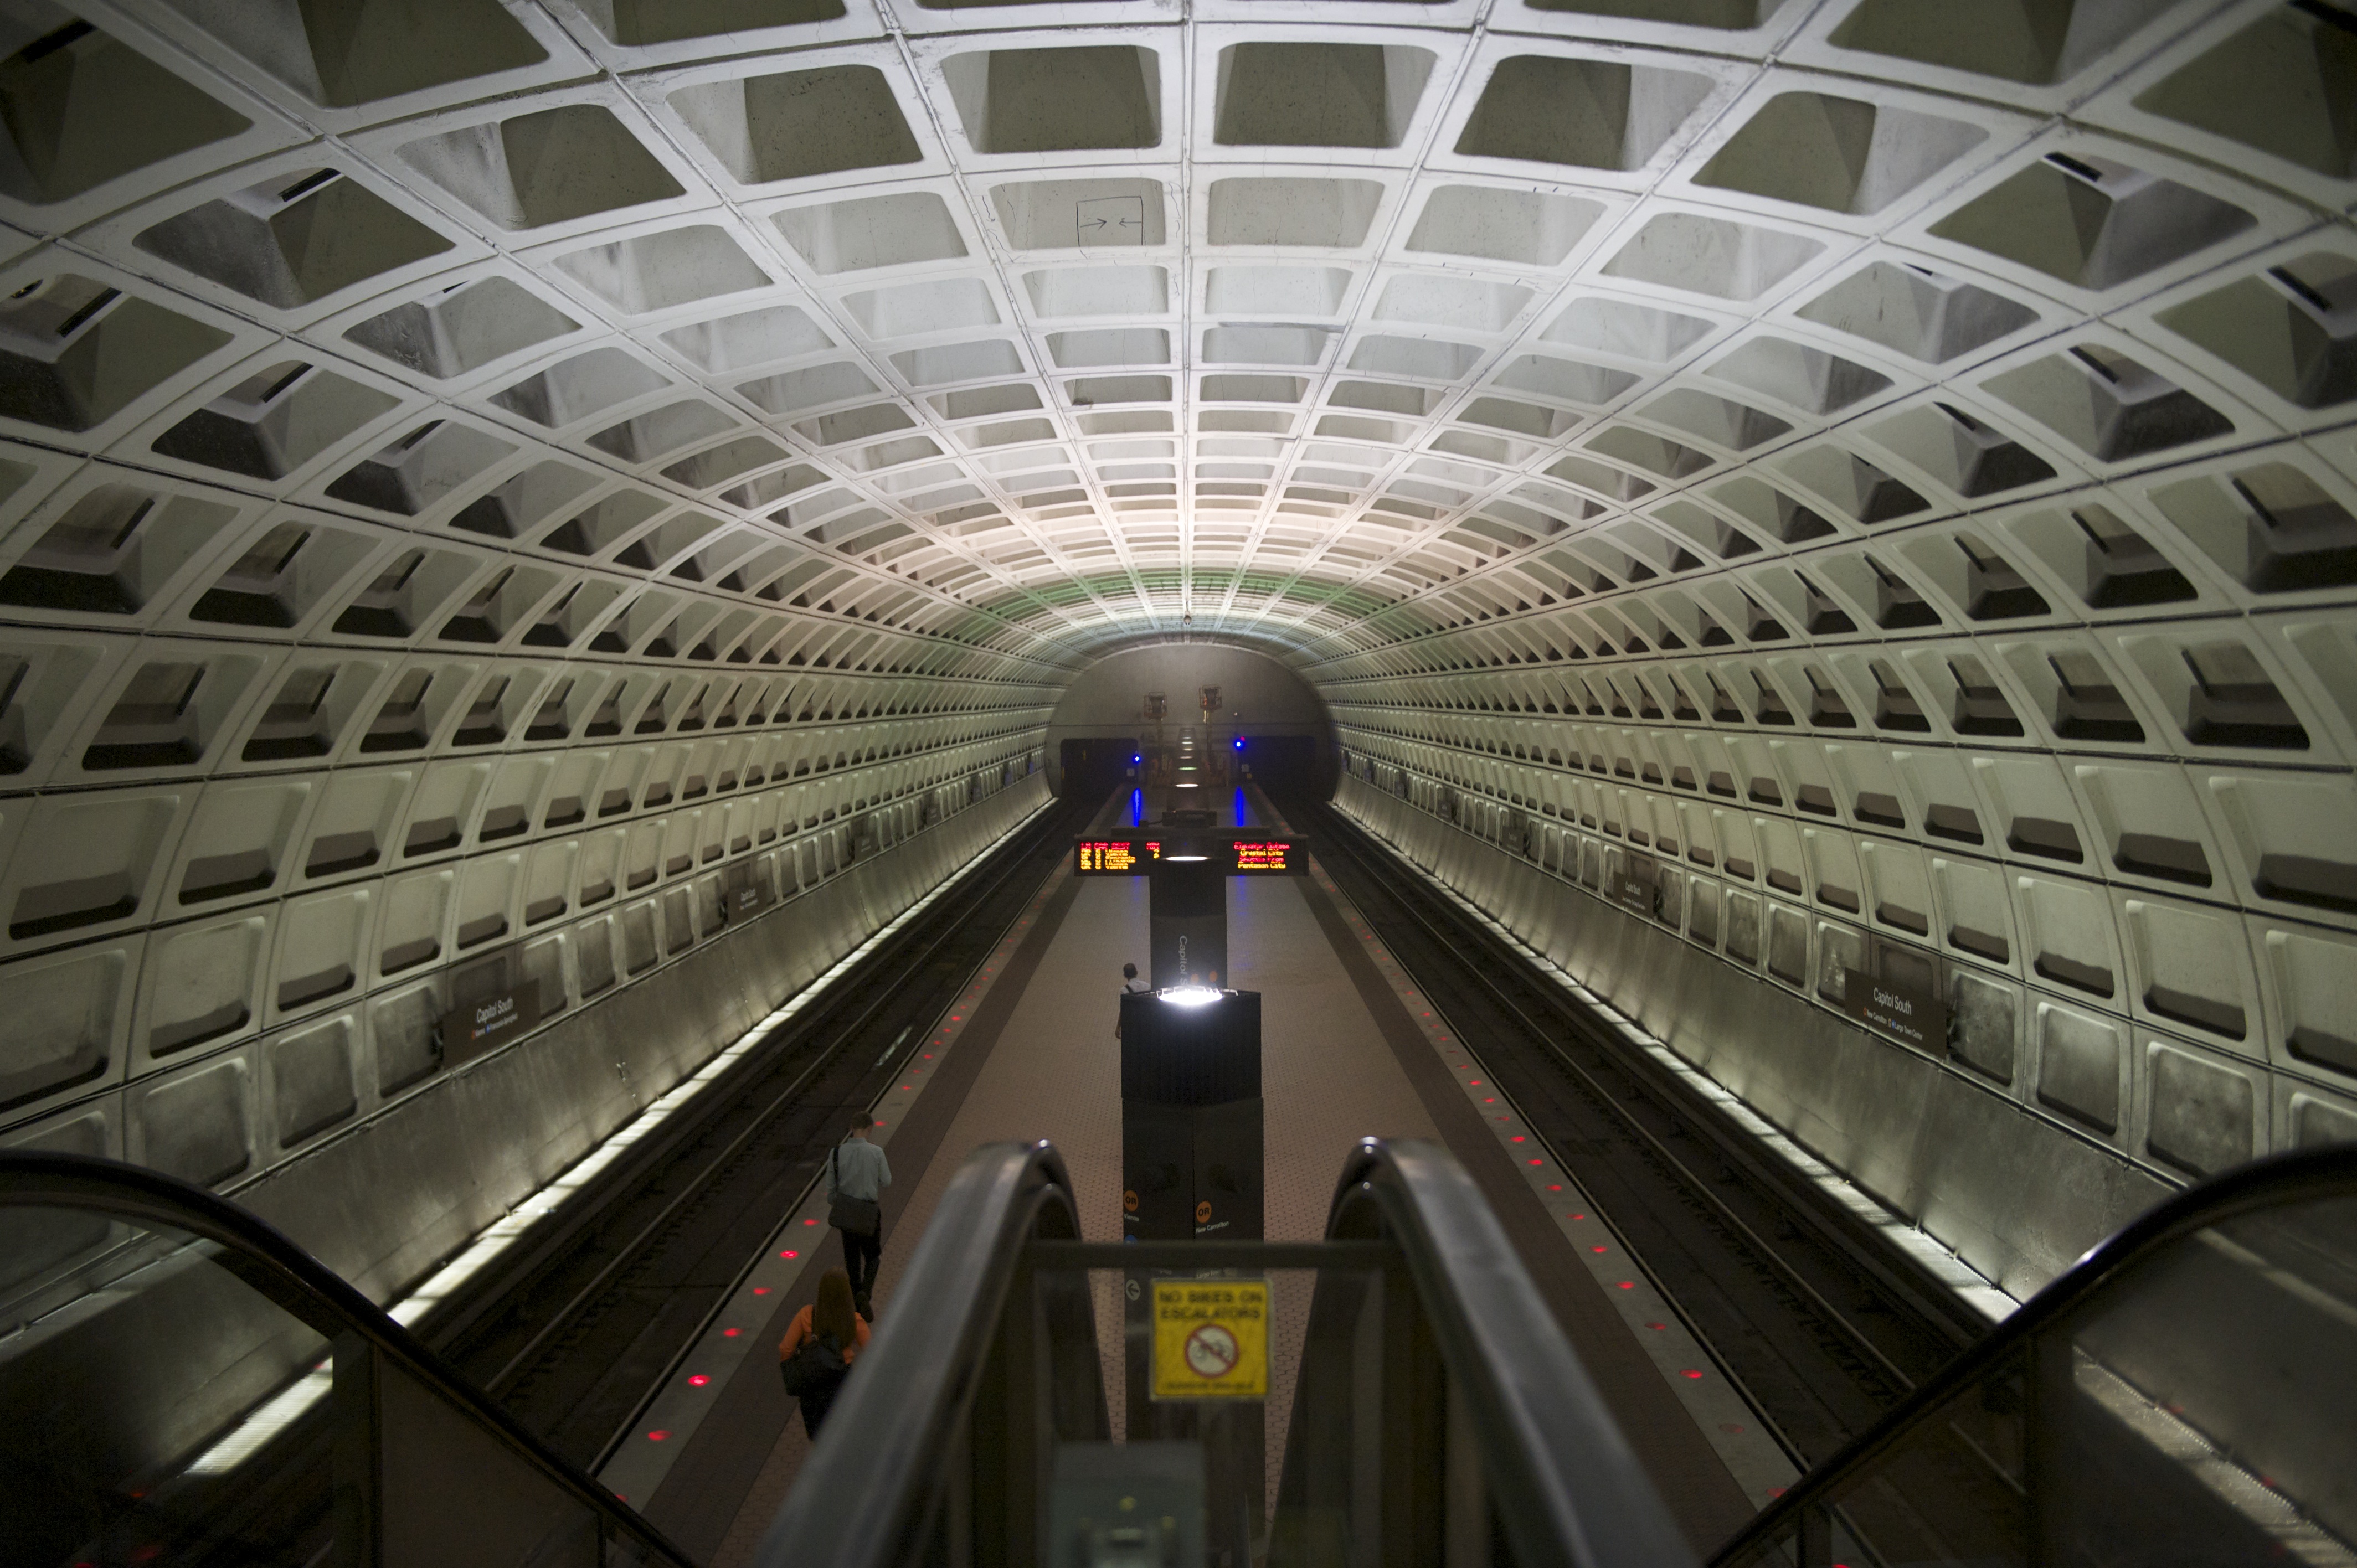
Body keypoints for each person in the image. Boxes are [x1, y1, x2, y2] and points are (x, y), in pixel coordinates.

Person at [776, 1267, 870, 1437]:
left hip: (813, 1385)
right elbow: (873, 1352)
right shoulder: (854, 1319)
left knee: (819, 1435)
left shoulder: (807, 1315)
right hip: (843, 1381)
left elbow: (785, 1349)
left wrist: (795, 1370)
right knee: (844, 1433)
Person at [827, 1113, 891, 1315]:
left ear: (851, 1127)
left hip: (847, 1214)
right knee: (872, 1257)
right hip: (869, 1213)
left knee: (852, 1260)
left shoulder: (836, 1153)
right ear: (870, 1128)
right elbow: (887, 1181)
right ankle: (865, 1293)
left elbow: (830, 1193)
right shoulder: (876, 1152)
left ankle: (857, 1305)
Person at [1114, 961, 1150, 1040]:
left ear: (1125, 975)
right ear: (1136, 972)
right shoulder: (1147, 986)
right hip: (1147, 1019)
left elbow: (1123, 1010)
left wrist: (1118, 1027)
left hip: (1133, 1022)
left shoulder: (1123, 991)